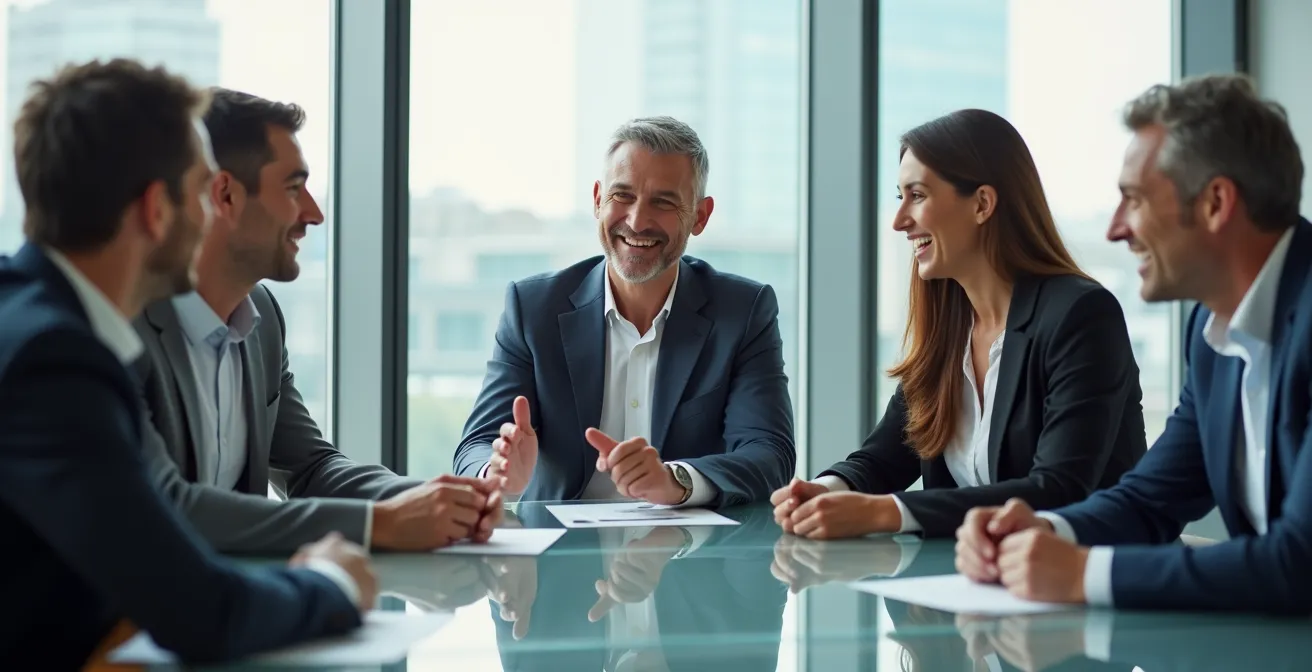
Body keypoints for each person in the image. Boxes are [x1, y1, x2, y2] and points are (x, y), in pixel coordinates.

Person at [0, 60, 373, 667]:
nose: (211, 215)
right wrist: (331, 582)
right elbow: (200, 610)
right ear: (156, 209)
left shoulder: (40, 321)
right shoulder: (54, 361)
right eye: (201, 189)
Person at [954, 74, 1312, 615]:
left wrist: (1083, 573)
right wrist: (1043, 528)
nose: (1115, 230)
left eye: (1134, 200)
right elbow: (1152, 497)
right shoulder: (1212, 332)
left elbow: (1300, 563)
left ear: (1216, 203)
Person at [131, 87, 502, 554]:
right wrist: (379, 524)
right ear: (225, 195)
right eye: (293, 188)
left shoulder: (261, 317)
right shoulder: (127, 328)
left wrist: (435, 499)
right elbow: (166, 509)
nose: (315, 213)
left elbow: (309, 470)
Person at [771, 109, 1147, 539]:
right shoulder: (950, 328)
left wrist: (886, 513)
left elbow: (1058, 488)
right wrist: (822, 490)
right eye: (900, 197)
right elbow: (885, 458)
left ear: (982, 203)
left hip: (1086, 580)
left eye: (917, 195)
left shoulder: (1081, 315)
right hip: (976, 582)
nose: (899, 221)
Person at [453, 116, 795, 507]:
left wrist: (676, 480)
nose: (637, 221)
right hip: (557, 557)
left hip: (688, 556)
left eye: (663, 202)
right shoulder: (533, 308)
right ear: (598, 200)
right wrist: (496, 473)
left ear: (700, 216)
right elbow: (476, 445)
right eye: (622, 196)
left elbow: (770, 456)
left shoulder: (743, 312)